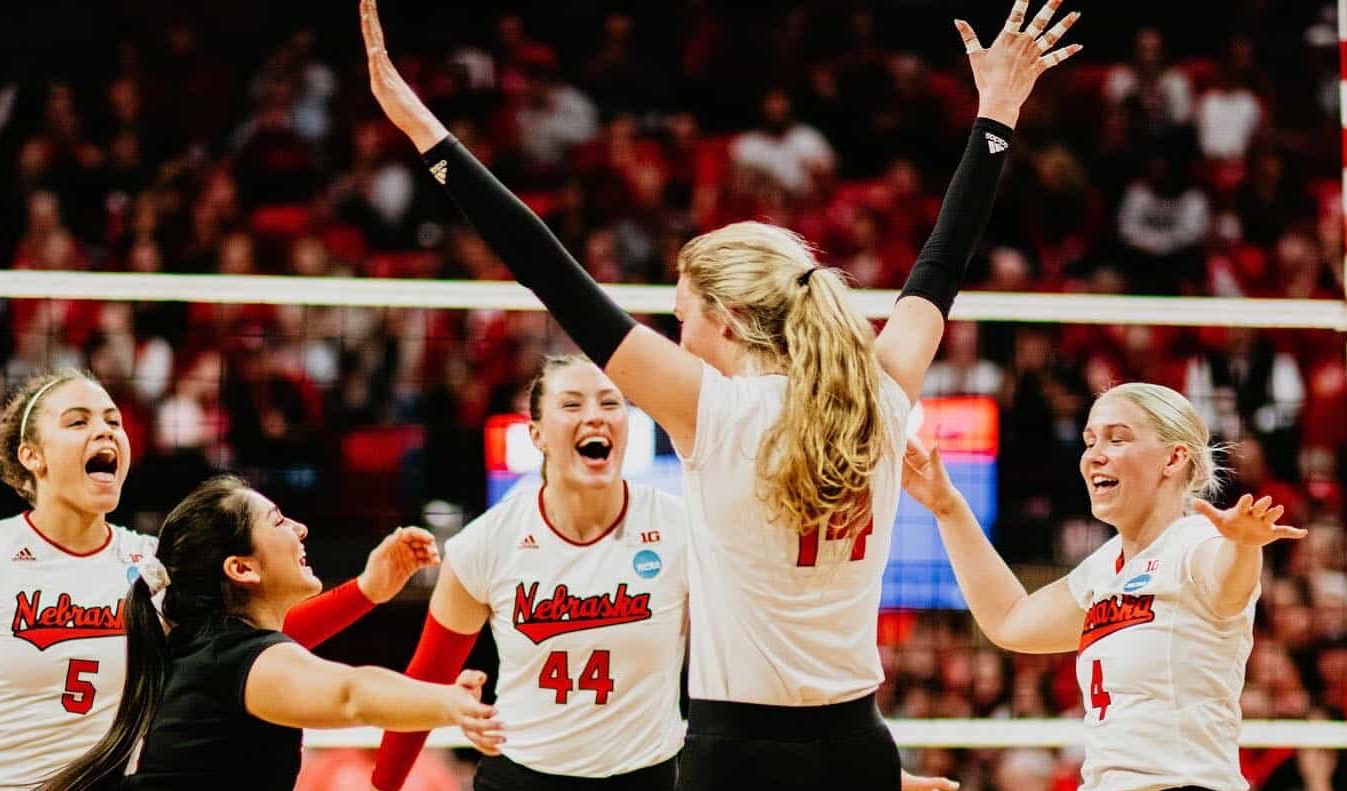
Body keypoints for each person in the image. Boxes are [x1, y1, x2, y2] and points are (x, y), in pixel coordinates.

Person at [359, 0, 1080, 787]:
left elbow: (548, 269)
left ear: (728, 319)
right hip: (858, 746)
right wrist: (997, 117)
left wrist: (426, 135)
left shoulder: (713, 410)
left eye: (681, 315)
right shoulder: (882, 389)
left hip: (736, 751)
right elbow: (939, 268)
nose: (675, 334)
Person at [0, 369, 432, 791]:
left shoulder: (154, 562)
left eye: (113, 419)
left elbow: (251, 652)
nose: (105, 430)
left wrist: (366, 591)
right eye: (78, 421)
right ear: (32, 456)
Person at [900, 382, 1308, 791]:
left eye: (1117, 439)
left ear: (1174, 457)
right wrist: (947, 507)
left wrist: (1243, 546)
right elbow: (1010, 621)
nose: (1094, 455)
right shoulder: (1104, 568)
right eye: (1090, 440)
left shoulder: (1196, 542)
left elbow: (1229, 585)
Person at [37, 476, 502, 791]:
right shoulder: (235, 659)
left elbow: (280, 641)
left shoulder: (203, 647)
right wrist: (448, 704)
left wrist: (368, 590)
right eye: (278, 521)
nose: (300, 529)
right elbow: (350, 694)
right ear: (241, 568)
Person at [372, 355, 688, 790]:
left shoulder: (680, 528)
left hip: (645, 777)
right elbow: (426, 678)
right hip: (523, 777)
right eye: (573, 405)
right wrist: (382, 786)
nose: (594, 416)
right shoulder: (488, 543)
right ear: (536, 434)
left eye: (610, 404)